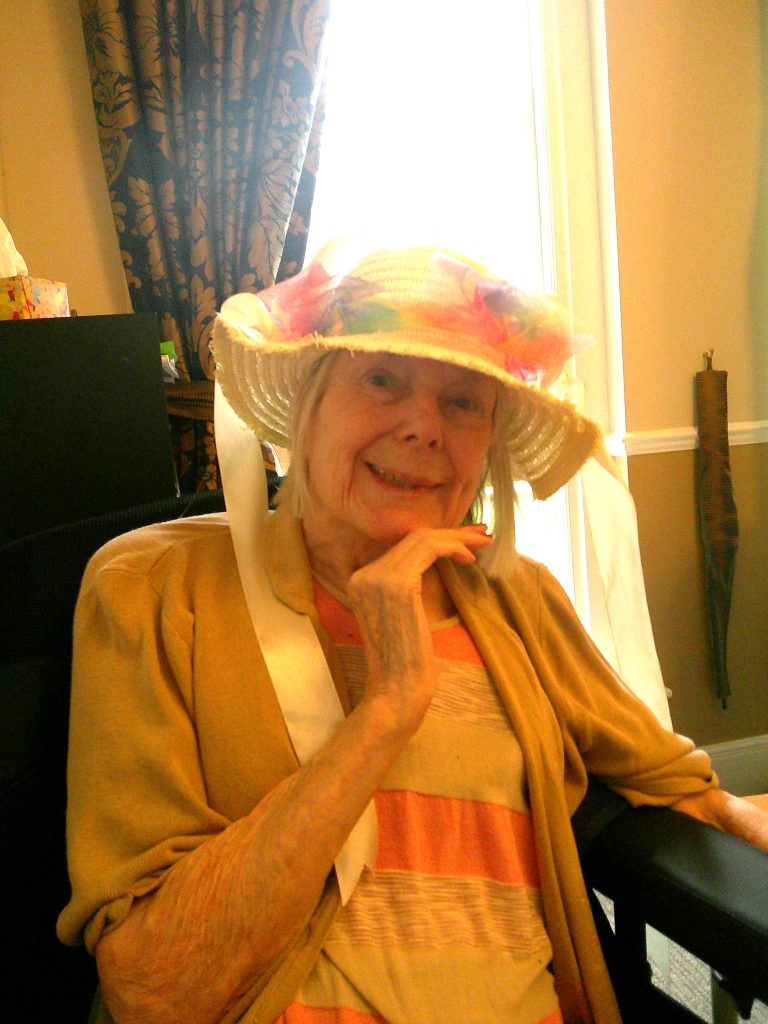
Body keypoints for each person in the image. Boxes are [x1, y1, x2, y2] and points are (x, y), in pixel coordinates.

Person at [57, 243, 768, 1024]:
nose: (425, 428)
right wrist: (389, 708)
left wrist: (733, 811)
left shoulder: (517, 598)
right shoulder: (157, 589)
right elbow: (152, 988)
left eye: (464, 402)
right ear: (308, 402)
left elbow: (663, 769)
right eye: (381, 380)